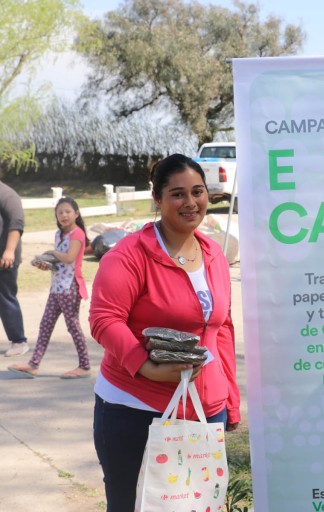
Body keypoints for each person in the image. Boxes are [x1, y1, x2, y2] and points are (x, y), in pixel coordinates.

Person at [89, 154, 240, 511]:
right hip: (134, 407)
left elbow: (221, 327)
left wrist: (229, 401)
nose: (190, 202)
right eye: (177, 194)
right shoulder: (129, 255)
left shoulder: (214, 255)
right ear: (157, 199)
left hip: (204, 409)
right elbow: (104, 319)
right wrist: (146, 366)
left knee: (197, 504)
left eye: (197, 192)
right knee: (130, 504)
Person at [8, 198, 91, 378]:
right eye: (60, 212)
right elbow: (59, 263)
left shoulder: (77, 234)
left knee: (73, 326)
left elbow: (69, 258)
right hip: (56, 288)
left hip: (70, 288)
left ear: (76, 214)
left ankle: (84, 366)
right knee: (45, 325)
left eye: (68, 212)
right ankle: (33, 365)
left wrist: (52, 252)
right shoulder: (58, 234)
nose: (64, 215)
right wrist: (45, 265)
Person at [0, 179, 28, 357]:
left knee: (5, 298)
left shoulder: (6, 194)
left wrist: (9, 251)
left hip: (5, 258)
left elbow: (16, 223)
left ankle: (19, 341)